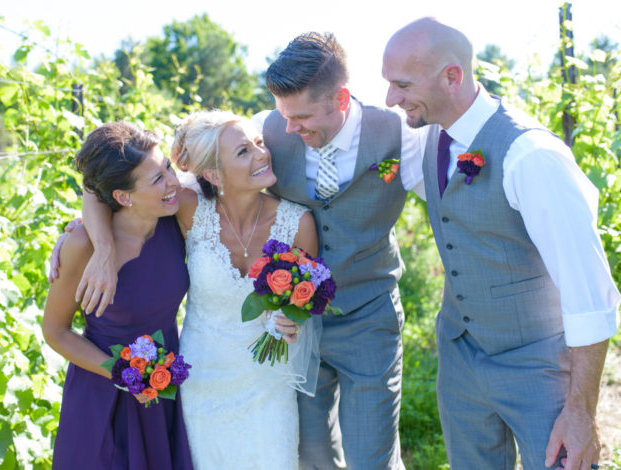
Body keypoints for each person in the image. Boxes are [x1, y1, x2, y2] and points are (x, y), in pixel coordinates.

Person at [382, 17, 621, 470]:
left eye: (402, 84)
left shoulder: (531, 157)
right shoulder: (424, 137)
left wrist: (580, 413)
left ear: (452, 76)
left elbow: (591, 296)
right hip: (460, 359)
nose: (391, 99)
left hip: (540, 368)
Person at [65, 110, 320, 469]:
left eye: (259, 143)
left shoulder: (298, 223)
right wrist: (99, 244)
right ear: (214, 174)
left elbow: (300, 306)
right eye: (244, 152)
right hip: (201, 382)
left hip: (267, 385)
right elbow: (102, 187)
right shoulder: (187, 208)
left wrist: (290, 321)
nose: (262, 154)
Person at [260, 32, 424, 469]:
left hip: (369, 317)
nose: (292, 128)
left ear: (341, 98)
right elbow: (191, 179)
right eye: (285, 116)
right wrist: (97, 218)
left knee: (372, 456)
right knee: (311, 455)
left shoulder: (400, 135)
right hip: (298, 324)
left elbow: (456, 200)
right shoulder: (271, 128)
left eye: (303, 117)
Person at [42, 122, 193, 469]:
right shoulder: (82, 245)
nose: (172, 182)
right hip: (103, 395)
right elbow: (55, 331)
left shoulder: (176, 217)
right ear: (123, 197)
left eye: (167, 168)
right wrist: (121, 373)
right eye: (157, 179)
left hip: (167, 390)